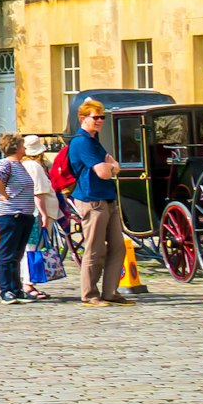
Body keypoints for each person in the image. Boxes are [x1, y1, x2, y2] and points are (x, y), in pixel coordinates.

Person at [67, 99, 124, 301]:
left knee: (118, 247)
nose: (100, 120)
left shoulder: (94, 140)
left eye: (102, 117)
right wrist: (112, 166)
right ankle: (89, 294)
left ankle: (111, 292)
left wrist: (112, 166)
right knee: (95, 249)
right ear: (83, 118)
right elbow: (104, 172)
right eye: (95, 117)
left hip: (108, 198)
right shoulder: (82, 142)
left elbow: (113, 165)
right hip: (92, 200)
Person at [0, 136, 42, 302]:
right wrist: (4, 195)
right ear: (16, 147)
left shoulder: (19, 165)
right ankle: (6, 290)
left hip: (24, 215)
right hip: (11, 215)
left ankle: (16, 288)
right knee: (7, 254)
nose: (24, 148)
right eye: (22, 145)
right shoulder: (7, 163)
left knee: (16, 255)